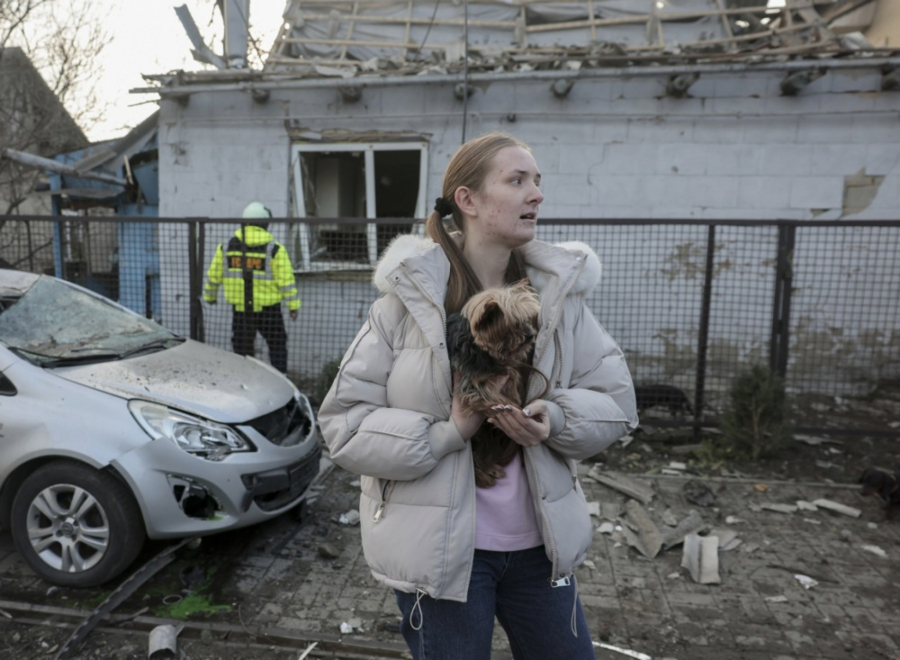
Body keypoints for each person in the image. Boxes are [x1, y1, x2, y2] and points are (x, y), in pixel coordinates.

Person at [317, 133, 638, 660]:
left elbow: (617, 404)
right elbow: (344, 425)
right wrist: (448, 433)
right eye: (517, 180)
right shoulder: (407, 302)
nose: (536, 194)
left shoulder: (558, 297)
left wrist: (555, 419)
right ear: (467, 200)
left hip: (540, 551)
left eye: (537, 181)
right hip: (442, 557)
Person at [204, 201, 300, 374]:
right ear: (265, 224)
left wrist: (210, 297)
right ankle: (282, 380)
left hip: (240, 310)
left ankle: (243, 379)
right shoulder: (274, 249)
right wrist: (293, 306)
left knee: (241, 348)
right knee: (277, 344)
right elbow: (286, 281)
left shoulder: (226, 247)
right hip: (269, 310)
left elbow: (213, 276)